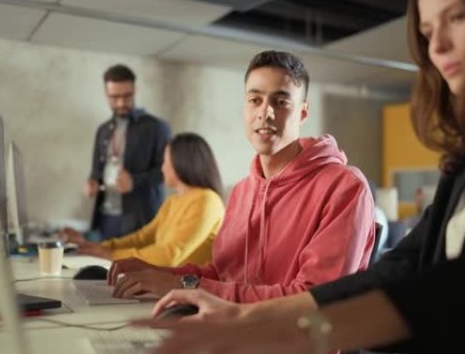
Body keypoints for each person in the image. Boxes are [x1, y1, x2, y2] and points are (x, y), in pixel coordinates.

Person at [138, 0, 465, 354]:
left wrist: (290, 332)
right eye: (426, 30)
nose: (437, 46)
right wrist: (249, 319)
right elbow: (399, 269)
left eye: (456, 18)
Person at [106, 51, 376, 303]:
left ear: (303, 112)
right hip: (227, 327)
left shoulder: (344, 187)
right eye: (255, 100)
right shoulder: (242, 190)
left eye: (281, 102)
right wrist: (163, 274)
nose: (265, 112)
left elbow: (310, 301)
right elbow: (222, 274)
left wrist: (186, 288)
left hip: (296, 347)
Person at [63, 133, 225, 267]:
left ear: (182, 163)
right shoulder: (174, 201)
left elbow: (168, 255)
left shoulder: (206, 201)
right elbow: (143, 237)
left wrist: (112, 255)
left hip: (191, 288)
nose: (162, 168)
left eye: (166, 162)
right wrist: (99, 247)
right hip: (167, 283)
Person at [86, 64, 170, 240]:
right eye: (114, 97)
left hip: (141, 220)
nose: (121, 103)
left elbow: (166, 173)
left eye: (127, 96)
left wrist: (134, 181)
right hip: (105, 218)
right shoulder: (102, 130)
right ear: (106, 94)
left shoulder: (157, 127)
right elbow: (96, 171)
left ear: (135, 90)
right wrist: (92, 182)